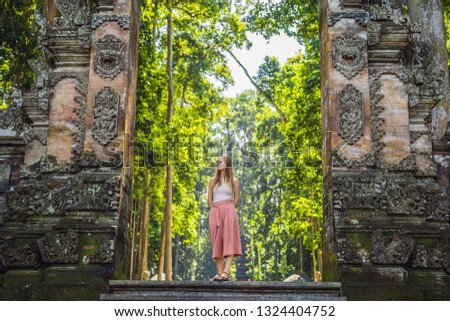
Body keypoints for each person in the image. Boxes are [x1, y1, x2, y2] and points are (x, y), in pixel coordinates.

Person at [208, 155, 242, 281]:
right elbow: (210, 198)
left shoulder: (234, 180)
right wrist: (213, 209)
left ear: (227, 163)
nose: (218, 163)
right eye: (218, 161)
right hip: (215, 210)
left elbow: (237, 197)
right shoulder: (213, 180)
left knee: (229, 240)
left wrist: (230, 208)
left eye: (221, 161)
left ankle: (226, 272)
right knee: (216, 241)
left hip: (228, 209)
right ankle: (220, 272)